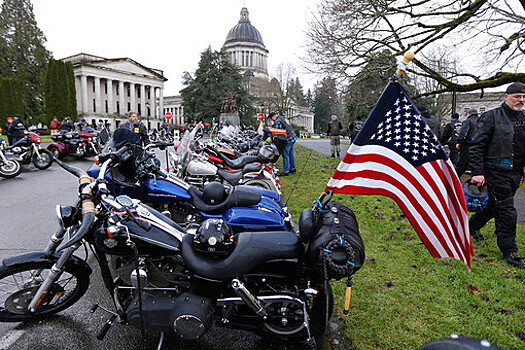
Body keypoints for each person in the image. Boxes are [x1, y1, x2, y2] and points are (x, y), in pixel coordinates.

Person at [468, 82, 525, 268]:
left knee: (494, 206)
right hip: (495, 172)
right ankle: (510, 250)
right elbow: (476, 145)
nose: (521, 100)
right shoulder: (490, 117)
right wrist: (477, 172)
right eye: (517, 96)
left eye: (524, 97)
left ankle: (472, 226)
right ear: (506, 96)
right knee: (508, 210)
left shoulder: (523, 118)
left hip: (515, 174)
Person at [270, 112, 296, 176]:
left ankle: (286, 171)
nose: (272, 120)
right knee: (290, 153)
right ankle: (292, 168)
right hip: (292, 137)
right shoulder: (283, 118)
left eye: (271, 119)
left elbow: (277, 131)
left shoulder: (278, 120)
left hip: (287, 139)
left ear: (273, 117)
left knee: (285, 154)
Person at [455, 108, 479, 177]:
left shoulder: (468, 121)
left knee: (462, 163)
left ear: (469, 114)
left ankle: (455, 179)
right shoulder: (482, 121)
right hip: (479, 145)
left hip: (468, 144)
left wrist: (459, 142)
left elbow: (463, 134)